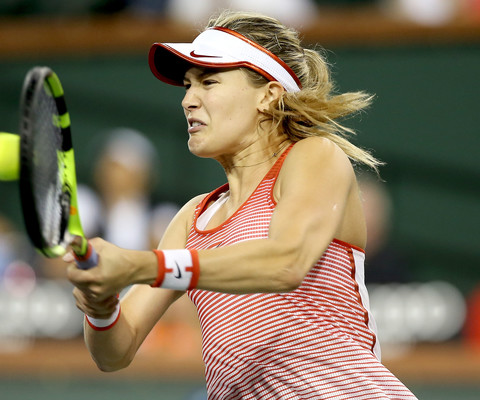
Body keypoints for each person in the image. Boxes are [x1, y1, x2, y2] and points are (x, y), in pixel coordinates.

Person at [65, 10, 417, 399]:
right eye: (186, 86)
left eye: (208, 82)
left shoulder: (314, 156)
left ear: (268, 95)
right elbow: (115, 352)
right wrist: (101, 304)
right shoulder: (191, 219)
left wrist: (137, 265)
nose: (188, 100)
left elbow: (285, 262)